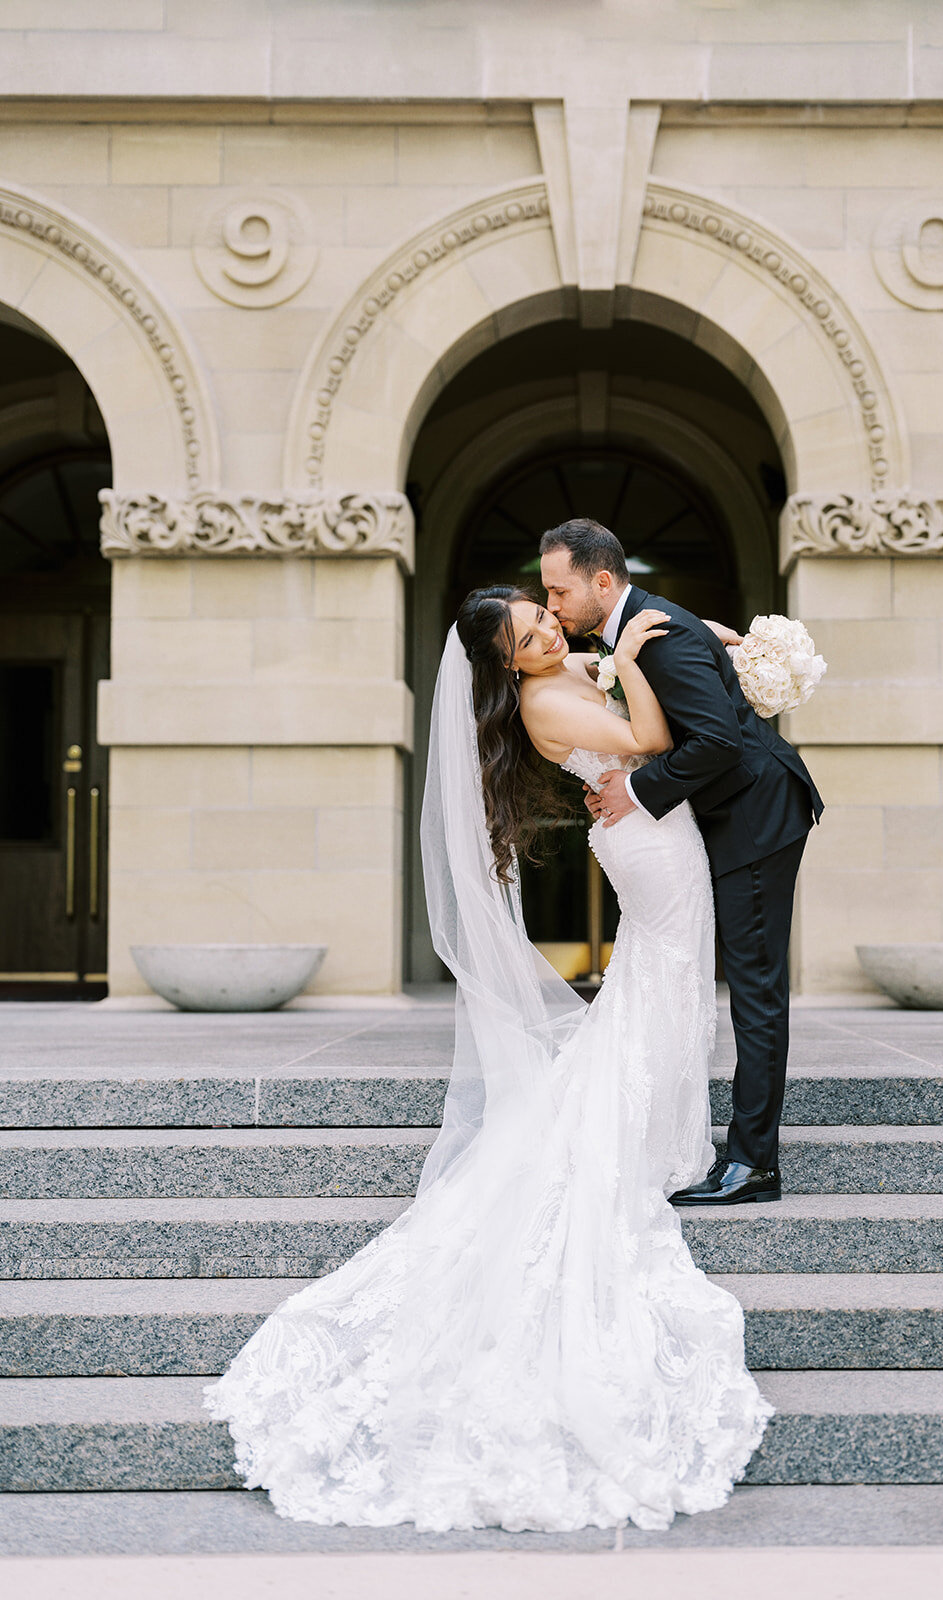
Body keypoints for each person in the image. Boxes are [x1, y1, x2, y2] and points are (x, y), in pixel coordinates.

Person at [203, 576, 771, 1532]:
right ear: (507, 662)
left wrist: (694, 641)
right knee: (655, 983)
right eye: (530, 633)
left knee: (658, 987)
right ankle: (653, 1139)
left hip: (652, 838)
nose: (550, 632)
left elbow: (633, 678)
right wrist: (626, 664)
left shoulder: (564, 670)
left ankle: (668, 1132)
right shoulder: (549, 695)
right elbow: (656, 743)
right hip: (648, 843)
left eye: (546, 617)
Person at [540, 518, 822, 1205]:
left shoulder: (655, 630)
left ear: (601, 581)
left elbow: (719, 742)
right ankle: (744, 1152)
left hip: (756, 817)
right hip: (737, 816)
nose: (552, 607)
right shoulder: (639, 628)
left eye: (558, 592)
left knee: (756, 990)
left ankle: (754, 1163)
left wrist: (635, 788)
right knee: (750, 984)